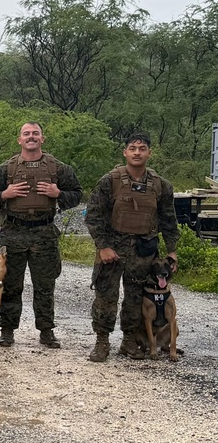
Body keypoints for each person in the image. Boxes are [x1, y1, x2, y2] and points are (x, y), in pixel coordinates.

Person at [0, 122, 82, 348]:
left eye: (35, 133)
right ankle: (7, 331)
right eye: (26, 134)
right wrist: (5, 194)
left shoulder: (58, 168)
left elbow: (77, 194)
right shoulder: (6, 169)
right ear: (19, 140)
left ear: (42, 139)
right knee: (10, 285)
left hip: (44, 232)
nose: (31, 137)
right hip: (13, 232)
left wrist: (58, 193)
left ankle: (46, 331)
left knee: (45, 285)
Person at [84, 133, 179, 362]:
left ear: (149, 153)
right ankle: (102, 342)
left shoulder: (160, 185)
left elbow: (168, 219)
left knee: (136, 299)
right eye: (133, 148)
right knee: (106, 296)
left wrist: (172, 250)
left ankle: (129, 341)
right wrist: (103, 246)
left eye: (142, 148)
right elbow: (93, 215)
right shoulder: (110, 180)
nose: (137, 152)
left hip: (143, 250)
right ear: (125, 152)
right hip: (112, 249)